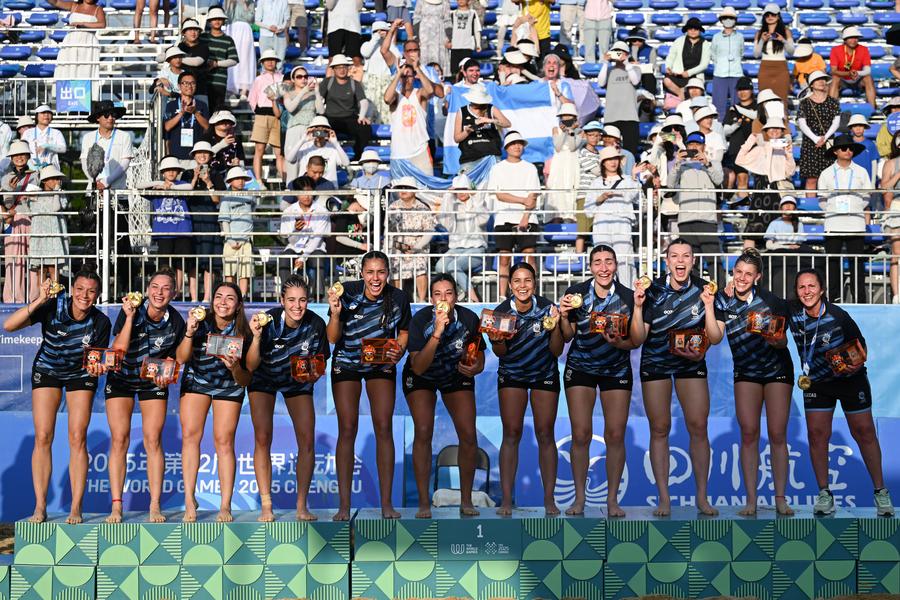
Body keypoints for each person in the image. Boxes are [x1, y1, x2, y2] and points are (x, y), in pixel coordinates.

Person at [3, 272, 110, 524]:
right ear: (72, 289)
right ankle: (40, 507)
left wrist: (98, 367)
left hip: (79, 374)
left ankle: (76, 507)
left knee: (77, 437)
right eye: (80, 289)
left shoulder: (101, 322)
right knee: (43, 436)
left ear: (97, 295)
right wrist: (40, 300)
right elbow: (9, 326)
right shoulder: (52, 306)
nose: (84, 295)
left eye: (91, 291)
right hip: (47, 370)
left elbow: (95, 360)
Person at [788, 269, 893, 516]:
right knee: (817, 435)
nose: (807, 292)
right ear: (796, 292)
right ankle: (824, 494)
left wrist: (853, 363)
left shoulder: (838, 316)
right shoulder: (792, 312)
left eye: (812, 286)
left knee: (864, 432)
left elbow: (861, 347)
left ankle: (881, 492)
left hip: (850, 381)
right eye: (802, 287)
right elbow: (768, 303)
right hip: (817, 383)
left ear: (822, 290)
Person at [629, 239, 723, 516]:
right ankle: (664, 499)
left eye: (686, 256)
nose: (680, 261)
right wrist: (637, 307)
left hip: (690, 364)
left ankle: (702, 498)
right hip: (656, 363)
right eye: (674, 256)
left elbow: (716, 337)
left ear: (693, 261)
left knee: (698, 426)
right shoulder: (653, 290)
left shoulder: (706, 290)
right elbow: (638, 338)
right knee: (660, 428)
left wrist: (708, 307)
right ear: (666, 261)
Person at [326, 251, 412, 520]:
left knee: (383, 426)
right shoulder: (346, 293)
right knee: (347, 428)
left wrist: (399, 349)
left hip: (380, 362)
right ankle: (344, 506)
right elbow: (332, 338)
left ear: (388, 273)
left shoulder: (399, 297)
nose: (376, 278)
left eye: (381, 272)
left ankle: (386, 504)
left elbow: (405, 332)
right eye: (370, 272)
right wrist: (335, 315)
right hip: (347, 362)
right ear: (362, 274)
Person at [709, 249, 794, 515]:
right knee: (748, 433)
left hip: (777, 370)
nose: (742, 278)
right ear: (732, 272)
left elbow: (783, 342)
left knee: (777, 434)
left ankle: (780, 499)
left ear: (757, 277)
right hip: (746, 371)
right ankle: (751, 501)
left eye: (748, 274)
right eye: (738, 272)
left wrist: (774, 339)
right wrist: (711, 303)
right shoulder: (722, 300)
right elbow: (714, 337)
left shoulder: (772, 302)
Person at [558, 245, 635, 516]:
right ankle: (579, 499)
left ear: (616, 265)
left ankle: (612, 500)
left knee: (615, 435)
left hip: (616, 368)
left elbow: (636, 339)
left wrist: (620, 341)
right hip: (581, 366)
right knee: (581, 434)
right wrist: (564, 316)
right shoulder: (576, 293)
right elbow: (567, 336)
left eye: (609, 262)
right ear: (590, 267)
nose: (604, 268)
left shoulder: (628, 297)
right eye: (598, 262)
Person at [245, 276, 330, 521]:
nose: (297, 306)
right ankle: (266, 506)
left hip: (296, 381)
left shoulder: (316, 324)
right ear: (282, 300)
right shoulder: (267, 321)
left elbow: (321, 361)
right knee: (262, 437)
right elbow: (250, 365)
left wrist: (314, 372)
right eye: (291, 300)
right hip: (263, 376)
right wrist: (257, 338)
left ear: (309, 301)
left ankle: (302, 506)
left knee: (307, 440)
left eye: (302, 300)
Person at [104, 270, 185, 524]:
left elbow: (177, 358)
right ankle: (116, 506)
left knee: (153, 439)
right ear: (147, 289)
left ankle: (154, 505)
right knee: (119, 439)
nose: (159, 292)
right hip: (122, 377)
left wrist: (168, 370)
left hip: (152, 381)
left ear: (174, 293)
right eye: (154, 286)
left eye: (166, 288)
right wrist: (129, 318)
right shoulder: (132, 310)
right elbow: (118, 349)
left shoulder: (176, 321)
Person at [404, 274, 485, 517]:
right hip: (422, 374)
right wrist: (437, 332)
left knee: (468, 434)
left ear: (456, 297)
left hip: (454, 373)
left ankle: (466, 501)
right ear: (431, 299)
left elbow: (479, 355)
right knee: (423, 430)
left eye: (448, 293)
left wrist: (476, 367)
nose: (443, 299)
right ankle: (423, 503)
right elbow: (419, 367)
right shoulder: (420, 320)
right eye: (438, 294)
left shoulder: (469, 319)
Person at [488, 262, 562, 515]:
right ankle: (507, 500)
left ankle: (549, 500)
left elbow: (557, 351)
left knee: (545, 433)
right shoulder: (500, 313)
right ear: (510, 285)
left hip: (544, 373)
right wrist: (497, 340)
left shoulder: (548, 309)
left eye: (527, 280)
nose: (522, 286)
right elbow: (500, 353)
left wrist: (556, 327)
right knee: (511, 433)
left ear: (535, 283)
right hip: (513, 374)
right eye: (517, 281)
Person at [178, 281, 253, 522]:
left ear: (238, 305)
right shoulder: (200, 322)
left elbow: (245, 379)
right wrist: (189, 332)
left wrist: (234, 367)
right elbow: (181, 358)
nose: (223, 302)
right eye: (219, 296)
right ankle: (189, 500)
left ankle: (225, 505)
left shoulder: (244, 333)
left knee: (224, 441)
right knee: (190, 436)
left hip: (229, 385)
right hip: (196, 380)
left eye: (230, 298)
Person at [818, 135, 872, 304]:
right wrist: (834, 210)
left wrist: (854, 207)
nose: (848, 151)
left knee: (857, 265)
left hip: (855, 223)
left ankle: (860, 301)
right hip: (833, 222)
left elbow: (867, 196)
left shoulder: (861, 171)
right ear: (835, 151)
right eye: (844, 148)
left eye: (851, 148)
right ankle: (833, 301)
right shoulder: (826, 173)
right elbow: (822, 200)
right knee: (832, 264)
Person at [486, 131, 540, 297]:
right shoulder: (497, 168)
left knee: (529, 257)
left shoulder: (530, 168)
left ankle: (533, 294)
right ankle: (502, 295)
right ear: (506, 147)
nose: (517, 146)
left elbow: (533, 195)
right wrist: (523, 200)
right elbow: (499, 194)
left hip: (528, 218)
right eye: (513, 143)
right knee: (504, 258)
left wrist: (525, 217)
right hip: (504, 217)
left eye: (520, 143)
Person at [669, 131, 725, 281]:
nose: (694, 147)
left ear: (704, 147)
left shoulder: (714, 163)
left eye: (697, 144)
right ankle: (691, 292)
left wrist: (707, 163)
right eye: (691, 144)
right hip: (686, 219)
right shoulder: (681, 166)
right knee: (689, 262)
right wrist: (677, 163)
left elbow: (719, 180)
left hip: (707, 219)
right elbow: (670, 184)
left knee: (713, 260)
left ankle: (721, 292)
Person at [736, 117, 796, 247]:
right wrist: (751, 140)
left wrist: (789, 153)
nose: (774, 131)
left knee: (775, 226)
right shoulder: (759, 149)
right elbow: (739, 160)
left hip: (776, 190)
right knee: (752, 228)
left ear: (782, 131)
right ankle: (748, 255)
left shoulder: (783, 150)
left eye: (778, 129)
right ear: (766, 131)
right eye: (771, 128)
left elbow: (790, 171)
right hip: (760, 190)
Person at [584, 147, 639, 286]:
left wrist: (634, 177)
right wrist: (601, 198)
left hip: (622, 222)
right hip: (601, 223)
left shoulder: (628, 180)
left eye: (615, 159)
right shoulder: (596, 183)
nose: (613, 162)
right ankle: (604, 293)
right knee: (602, 259)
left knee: (625, 260)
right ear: (603, 163)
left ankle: (629, 293)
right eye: (609, 160)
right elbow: (588, 210)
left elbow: (636, 198)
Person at [142, 156, 194, 291]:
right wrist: (159, 184)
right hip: (163, 233)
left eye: (174, 170)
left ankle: (178, 291)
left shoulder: (182, 184)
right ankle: (166, 289)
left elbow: (190, 187)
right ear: (162, 172)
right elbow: (138, 186)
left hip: (182, 231)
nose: (171, 172)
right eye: (167, 170)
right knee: (165, 265)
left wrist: (172, 186)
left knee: (181, 264)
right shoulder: (156, 187)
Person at [435, 174, 488, 302]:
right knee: (439, 267)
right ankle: (459, 291)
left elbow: (482, 220)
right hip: (456, 248)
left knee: (453, 266)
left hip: (476, 247)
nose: (461, 193)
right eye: (458, 190)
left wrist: (476, 198)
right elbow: (444, 221)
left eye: (464, 189)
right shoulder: (452, 204)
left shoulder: (478, 203)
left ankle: (474, 298)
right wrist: (448, 196)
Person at [279, 176, 331, 294]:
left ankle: (318, 296)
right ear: (296, 193)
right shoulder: (289, 211)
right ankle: (287, 294)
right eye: (302, 193)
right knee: (284, 259)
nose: (306, 196)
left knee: (318, 260)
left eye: (309, 192)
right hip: (294, 247)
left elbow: (317, 238)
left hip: (315, 248)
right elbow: (289, 239)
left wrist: (303, 257)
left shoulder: (322, 211)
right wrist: (295, 230)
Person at [186, 141, 224, 303]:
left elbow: (217, 200)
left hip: (210, 220)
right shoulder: (186, 174)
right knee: (193, 262)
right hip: (191, 220)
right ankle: (194, 298)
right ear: (194, 156)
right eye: (199, 153)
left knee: (210, 261)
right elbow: (184, 198)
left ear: (211, 156)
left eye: (205, 153)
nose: (202, 155)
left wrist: (208, 182)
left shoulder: (216, 175)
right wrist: (194, 179)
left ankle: (207, 298)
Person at [386, 177, 435, 301]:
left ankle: (422, 300)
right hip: (398, 246)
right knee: (394, 264)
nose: (403, 190)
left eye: (407, 188)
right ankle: (396, 300)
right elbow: (389, 232)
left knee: (420, 267)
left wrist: (416, 248)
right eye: (401, 188)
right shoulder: (393, 207)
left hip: (419, 246)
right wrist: (401, 247)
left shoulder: (423, 207)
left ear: (414, 190)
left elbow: (429, 232)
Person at [317, 54, 372, 160]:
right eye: (338, 67)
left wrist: (362, 116)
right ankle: (324, 156)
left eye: (344, 67)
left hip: (350, 117)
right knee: (320, 130)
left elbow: (363, 101)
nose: (342, 70)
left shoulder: (354, 83)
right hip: (331, 117)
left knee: (365, 128)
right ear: (333, 69)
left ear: (348, 68)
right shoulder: (327, 82)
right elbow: (319, 101)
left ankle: (359, 156)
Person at [385, 61, 435, 175]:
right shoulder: (396, 96)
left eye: (409, 76)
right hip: (399, 154)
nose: (406, 79)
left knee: (425, 186)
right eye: (403, 76)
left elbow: (430, 91)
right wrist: (398, 74)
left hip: (420, 151)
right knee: (400, 187)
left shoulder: (419, 94)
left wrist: (417, 69)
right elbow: (387, 99)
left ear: (414, 77)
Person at [797, 70, 841, 195]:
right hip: (811, 144)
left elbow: (836, 122)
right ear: (811, 84)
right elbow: (802, 123)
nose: (821, 82)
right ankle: (811, 205)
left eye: (823, 79)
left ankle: (827, 204)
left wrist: (825, 138)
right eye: (817, 79)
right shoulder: (804, 103)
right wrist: (815, 138)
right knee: (811, 179)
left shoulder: (833, 102)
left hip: (828, 143)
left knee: (830, 178)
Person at [2, 141, 35, 303]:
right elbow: (6, 204)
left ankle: (36, 298)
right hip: (13, 220)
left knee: (35, 261)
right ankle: (13, 299)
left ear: (28, 156)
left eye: (22, 154)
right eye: (16, 155)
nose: (19, 157)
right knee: (14, 260)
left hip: (32, 220)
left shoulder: (36, 175)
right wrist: (11, 190)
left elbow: (38, 198)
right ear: (11, 158)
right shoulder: (5, 178)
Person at [23, 166, 69, 284]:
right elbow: (30, 210)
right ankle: (42, 294)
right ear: (44, 181)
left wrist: (56, 192)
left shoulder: (61, 194)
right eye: (53, 179)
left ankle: (55, 294)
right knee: (41, 269)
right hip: (40, 235)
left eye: (58, 179)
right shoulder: (35, 194)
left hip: (55, 235)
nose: (57, 181)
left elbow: (56, 207)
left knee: (54, 267)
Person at [453, 83, 510, 173]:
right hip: (469, 159)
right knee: (467, 182)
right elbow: (457, 138)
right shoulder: (461, 111)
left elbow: (507, 123)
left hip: (492, 157)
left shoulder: (491, 109)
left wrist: (490, 120)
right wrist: (467, 132)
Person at [248, 49, 285, 186]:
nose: (270, 62)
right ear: (262, 63)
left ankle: (284, 181)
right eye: (267, 60)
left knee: (279, 152)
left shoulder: (282, 78)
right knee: (259, 150)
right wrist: (258, 112)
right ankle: (258, 181)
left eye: (272, 60)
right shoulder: (259, 79)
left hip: (278, 117)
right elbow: (252, 99)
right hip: (262, 115)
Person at [47, 0, 103, 87]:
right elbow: (56, 2)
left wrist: (83, 24)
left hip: (88, 42)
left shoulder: (98, 9)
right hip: (71, 41)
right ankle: (65, 91)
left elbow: (102, 24)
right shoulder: (74, 5)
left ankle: (84, 93)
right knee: (67, 68)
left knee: (85, 70)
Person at [598, 41, 640, 157]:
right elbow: (601, 83)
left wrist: (626, 62)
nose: (618, 54)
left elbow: (635, 81)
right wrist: (605, 62)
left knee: (630, 152)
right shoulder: (609, 70)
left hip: (630, 116)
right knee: (610, 152)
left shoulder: (635, 68)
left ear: (627, 54)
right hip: (611, 116)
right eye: (616, 52)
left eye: (621, 52)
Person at [220, 167, 257, 296]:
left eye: (242, 178)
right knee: (229, 271)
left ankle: (242, 297)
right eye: (237, 178)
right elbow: (224, 220)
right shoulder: (226, 198)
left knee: (245, 272)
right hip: (230, 241)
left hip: (246, 240)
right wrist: (230, 239)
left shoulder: (250, 195)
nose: (240, 181)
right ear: (230, 181)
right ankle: (229, 295)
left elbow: (253, 208)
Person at [545, 103, 583, 223]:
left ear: (574, 118)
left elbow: (572, 147)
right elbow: (558, 147)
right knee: (557, 186)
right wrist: (564, 132)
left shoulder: (580, 131)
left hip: (572, 162)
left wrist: (571, 131)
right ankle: (556, 216)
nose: (566, 118)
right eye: (564, 116)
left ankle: (570, 217)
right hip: (559, 162)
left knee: (571, 186)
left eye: (569, 116)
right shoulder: (556, 129)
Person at [723, 77, 758, 203]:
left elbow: (757, 116)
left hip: (756, 149)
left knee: (760, 180)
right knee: (742, 178)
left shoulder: (758, 106)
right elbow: (725, 130)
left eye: (746, 89)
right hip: (737, 149)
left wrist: (738, 110)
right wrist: (736, 125)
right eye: (739, 89)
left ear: (751, 90)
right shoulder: (732, 109)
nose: (742, 92)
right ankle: (743, 205)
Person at [281, 66, 318, 183]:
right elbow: (290, 108)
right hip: (294, 131)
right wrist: (303, 91)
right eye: (299, 77)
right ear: (293, 79)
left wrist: (317, 92)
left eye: (305, 76)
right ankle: (291, 189)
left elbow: (321, 111)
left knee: (309, 163)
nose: (303, 79)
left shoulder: (313, 94)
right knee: (292, 164)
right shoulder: (288, 93)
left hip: (310, 131)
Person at [287, 116, 350, 185]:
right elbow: (289, 159)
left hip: (328, 187)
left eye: (323, 130)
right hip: (307, 187)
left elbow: (346, 163)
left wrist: (335, 143)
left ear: (328, 131)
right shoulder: (305, 146)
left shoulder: (333, 148)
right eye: (316, 130)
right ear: (311, 130)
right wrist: (302, 140)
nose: (319, 133)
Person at [163, 72, 211, 160]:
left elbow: (207, 126)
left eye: (192, 83)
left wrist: (195, 112)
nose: (189, 86)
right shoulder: (171, 105)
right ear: (179, 86)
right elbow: (167, 127)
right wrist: (181, 113)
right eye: (185, 83)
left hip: (196, 155)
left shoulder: (202, 105)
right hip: (176, 155)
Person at [200, 7, 239, 112]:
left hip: (219, 82)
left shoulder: (228, 40)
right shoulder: (202, 37)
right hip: (202, 81)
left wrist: (216, 64)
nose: (217, 21)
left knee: (217, 112)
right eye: (214, 19)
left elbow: (234, 60)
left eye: (219, 19)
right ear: (209, 21)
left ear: (223, 21)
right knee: (203, 111)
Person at [754, 3, 794, 105]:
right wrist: (762, 40)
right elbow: (756, 54)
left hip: (781, 68)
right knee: (764, 101)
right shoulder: (759, 33)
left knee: (782, 100)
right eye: (767, 15)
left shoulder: (786, 31)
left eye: (773, 14)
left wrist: (782, 40)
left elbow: (791, 52)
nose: (770, 17)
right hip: (765, 68)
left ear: (778, 16)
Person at [663, 18, 710, 102]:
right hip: (679, 74)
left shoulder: (705, 44)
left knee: (695, 88)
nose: (693, 31)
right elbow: (671, 56)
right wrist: (668, 67)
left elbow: (704, 65)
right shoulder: (679, 41)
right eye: (690, 29)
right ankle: (681, 95)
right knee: (666, 80)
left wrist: (689, 73)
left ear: (699, 30)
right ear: (687, 30)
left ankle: (683, 99)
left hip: (695, 76)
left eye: (696, 29)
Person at [829, 26, 876, 110]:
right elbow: (833, 71)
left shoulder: (863, 49)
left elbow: (867, 70)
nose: (854, 40)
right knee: (835, 78)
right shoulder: (836, 50)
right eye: (850, 38)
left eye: (856, 38)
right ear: (845, 39)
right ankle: (831, 109)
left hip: (857, 79)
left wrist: (857, 73)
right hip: (842, 79)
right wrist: (848, 73)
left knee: (868, 78)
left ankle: (872, 109)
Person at [710, 7, 744, 119]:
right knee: (718, 105)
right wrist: (721, 64)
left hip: (736, 73)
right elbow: (713, 54)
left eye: (731, 18)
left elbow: (741, 53)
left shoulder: (740, 37)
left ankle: (737, 125)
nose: (728, 20)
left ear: (735, 20)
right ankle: (719, 126)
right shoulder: (716, 37)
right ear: (721, 20)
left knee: (737, 105)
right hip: (720, 74)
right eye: (725, 18)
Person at [576, 121, 603, 253]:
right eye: (591, 135)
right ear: (585, 135)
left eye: (597, 135)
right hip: (585, 195)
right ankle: (578, 255)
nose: (595, 138)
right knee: (582, 229)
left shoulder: (599, 153)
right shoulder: (582, 152)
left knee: (597, 228)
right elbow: (597, 171)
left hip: (598, 195)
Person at [881, 131, 900, 303]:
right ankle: (897, 294)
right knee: (897, 252)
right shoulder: (890, 163)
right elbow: (884, 188)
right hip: (896, 207)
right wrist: (898, 174)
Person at [224, 0, 256, 101]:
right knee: (232, 58)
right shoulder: (229, 1)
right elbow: (227, 17)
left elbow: (251, 19)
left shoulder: (250, 3)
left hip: (245, 30)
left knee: (245, 60)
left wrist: (246, 5)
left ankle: (244, 90)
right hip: (232, 30)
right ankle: (231, 90)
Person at [204, 110, 246, 178]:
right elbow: (203, 156)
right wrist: (222, 144)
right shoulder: (206, 138)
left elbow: (241, 161)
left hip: (230, 176)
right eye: (221, 120)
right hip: (209, 175)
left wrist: (238, 165)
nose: (225, 122)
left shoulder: (236, 140)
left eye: (228, 120)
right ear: (214, 122)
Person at [179, 19, 212, 104]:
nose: (193, 33)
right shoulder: (180, 47)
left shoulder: (203, 47)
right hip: (183, 90)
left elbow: (197, 62)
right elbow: (161, 57)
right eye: (190, 30)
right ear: (184, 33)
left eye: (195, 30)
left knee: (202, 111)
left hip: (200, 88)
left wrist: (177, 59)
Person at [23, 106, 66, 171]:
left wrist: (47, 146)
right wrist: (29, 164)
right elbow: (23, 150)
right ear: (37, 116)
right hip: (32, 170)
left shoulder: (56, 133)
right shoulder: (28, 133)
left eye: (49, 113)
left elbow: (63, 149)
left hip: (51, 171)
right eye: (43, 113)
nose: (46, 115)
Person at [447, 0, 482, 75]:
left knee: (466, 69)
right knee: (455, 70)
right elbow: (448, 30)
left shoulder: (473, 13)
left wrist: (478, 44)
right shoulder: (452, 13)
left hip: (467, 46)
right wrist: (448, 41)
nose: (461, 1)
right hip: (454, 46)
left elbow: (476, 29)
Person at [255, 0, 290, 67]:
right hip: (265, 35)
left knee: (279, 64)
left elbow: (287, 20)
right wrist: (269, 27)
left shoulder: (284, 1)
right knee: (265, 63)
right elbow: (257, 21)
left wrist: (280, 28)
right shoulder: (261, 1)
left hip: (280, 36)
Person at [847, 114, 879, 182]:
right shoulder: (847, 144)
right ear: (851, 128)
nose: (858, 129)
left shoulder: (870, 144)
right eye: (855, 126)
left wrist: (873, 182)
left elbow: (874, 163)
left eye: (861, 126)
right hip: (851, 180)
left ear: (864, 127)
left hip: (867, 180)